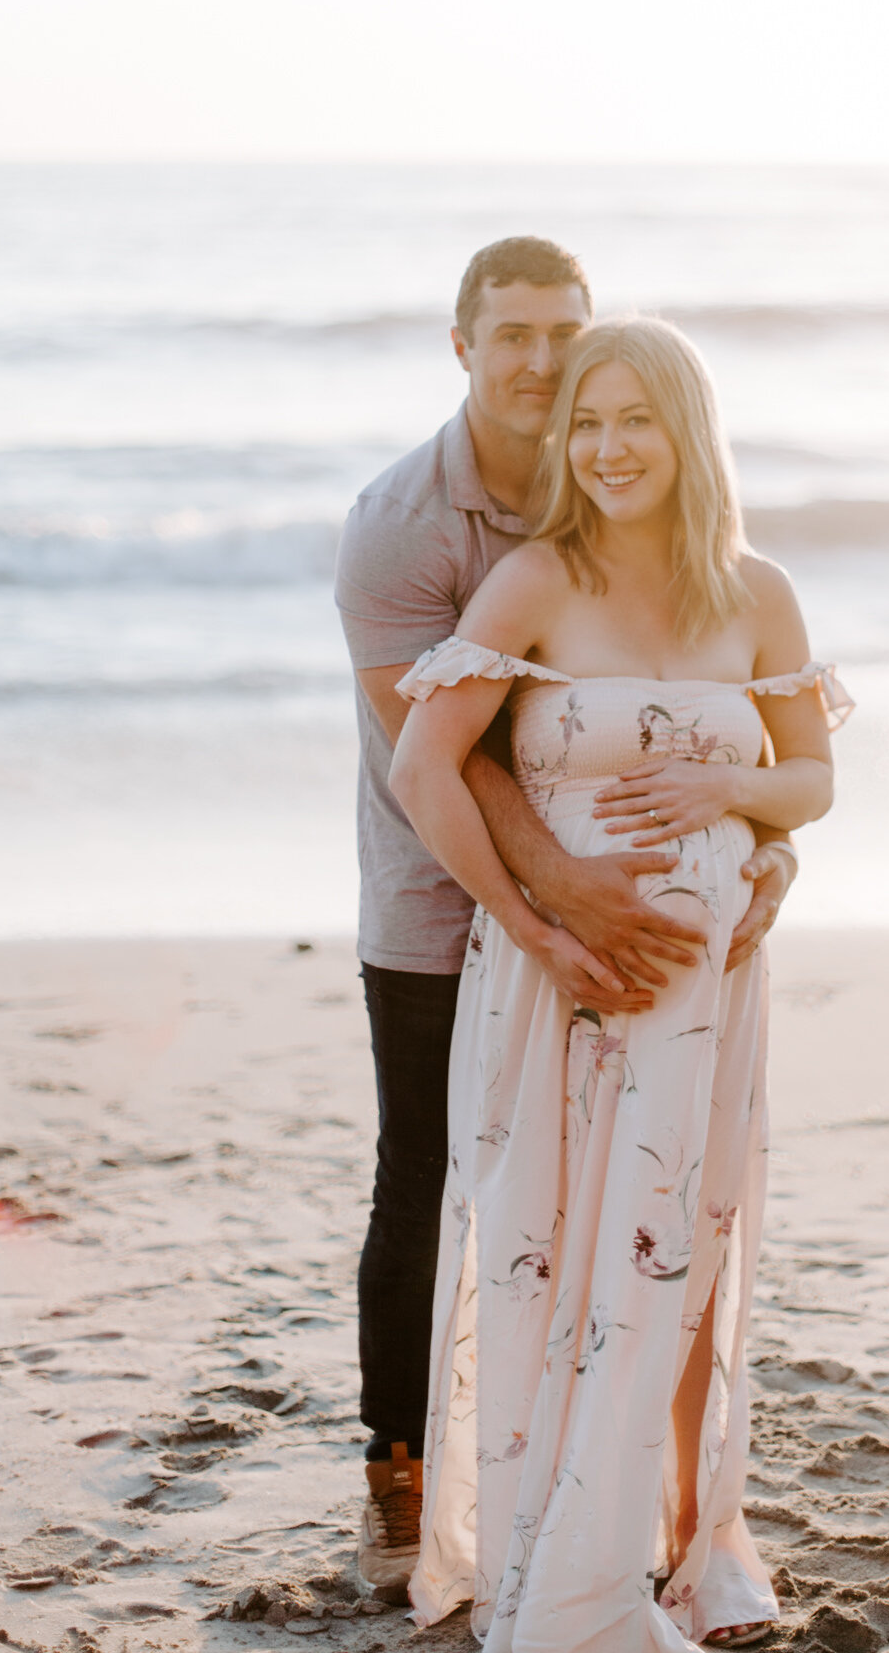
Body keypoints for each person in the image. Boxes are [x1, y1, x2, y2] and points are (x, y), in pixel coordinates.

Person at [334, 242, 801, 1604]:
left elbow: (749, 733)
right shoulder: (406, 525)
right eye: (514, 337)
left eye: (567, 337)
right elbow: (435, 757)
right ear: (463, 344)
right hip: (443, 896)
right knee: (431, 1172)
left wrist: (760, 857)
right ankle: (404, 1470)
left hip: (665, 957)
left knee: (659, 1216)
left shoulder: (617, 482)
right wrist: (551, 906)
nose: (544, 367)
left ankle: (661, 1509)